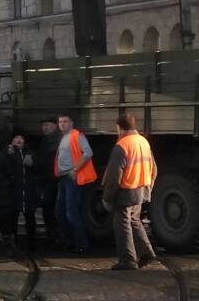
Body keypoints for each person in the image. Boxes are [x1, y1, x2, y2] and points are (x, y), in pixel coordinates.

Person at [101, 113, 158, 270]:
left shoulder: (122, 145)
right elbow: (154, 168)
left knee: (122, 225)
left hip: (126, 190)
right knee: (134, 220)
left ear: (119, 128)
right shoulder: (143, 141)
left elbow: (114, 177)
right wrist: (148, 188)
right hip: (141, 187)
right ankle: (146, 252)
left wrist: (107, 198)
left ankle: (128, 260)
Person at [54, 112, 96, 252]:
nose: (62, 124)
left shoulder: (77, 135)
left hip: (72, 178)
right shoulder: (64, 137)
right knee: (60, 212)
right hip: (64, 178)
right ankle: (70, 241)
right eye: (60, 122)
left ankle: (81, 243)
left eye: (65, 121)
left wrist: (75, 169)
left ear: (71, 123)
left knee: (71, 212)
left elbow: (88, 152)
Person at [4, 132, 36, 250]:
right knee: (13, 219)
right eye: (16, 138)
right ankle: (13, 245)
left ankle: (32, 244)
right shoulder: (8, 152)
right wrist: (11, 156)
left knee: (30, 219)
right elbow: (5, 169)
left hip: (28, 191)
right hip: (14, 192)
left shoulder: (30, 152)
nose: (19, 140)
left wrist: (32, 164)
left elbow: (37, 168)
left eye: (21, 138)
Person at [32, 117, 61, 245]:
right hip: (48, 179)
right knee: (48, 208)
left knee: (51, 208)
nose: (44, 127)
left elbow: (47, 161)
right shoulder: (46, 140)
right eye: (43, 125)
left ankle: (55, 234)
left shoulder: (55, 141)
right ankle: (52, 234)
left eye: (47, 125)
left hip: (52, 179)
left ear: (55, 126)